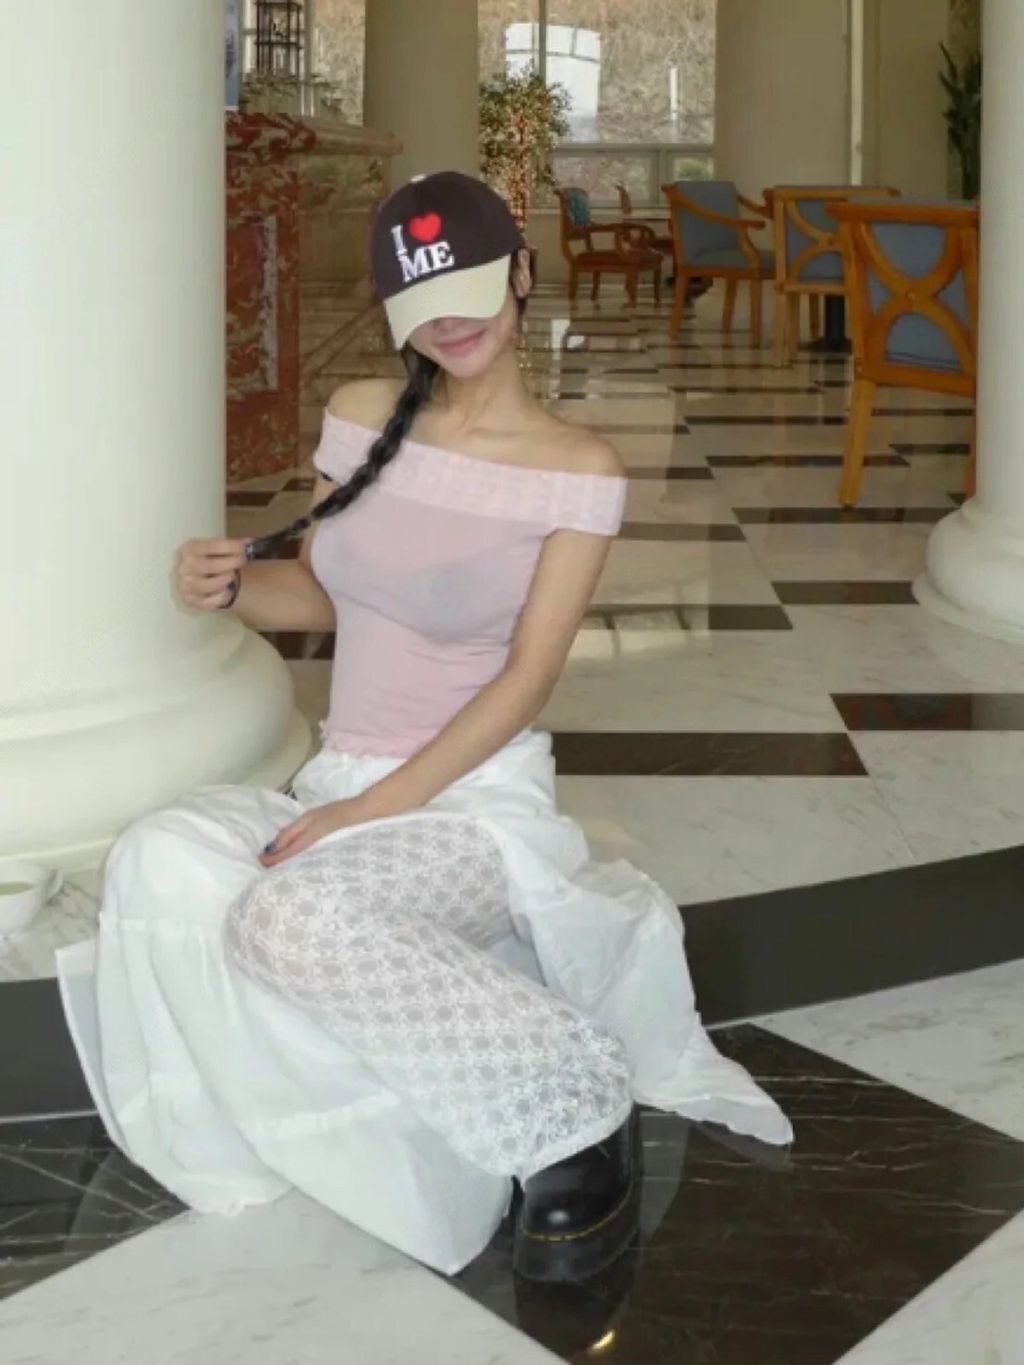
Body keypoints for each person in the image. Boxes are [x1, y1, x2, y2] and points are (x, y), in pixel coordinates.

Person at [57, 172, 791, 1284]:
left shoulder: (578, 468)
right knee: (155, 855)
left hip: (468, 801)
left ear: (523, 273)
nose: (450, 320)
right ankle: (325, 1117)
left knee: (290, 918)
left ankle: (572, 1101)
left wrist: (373, 806)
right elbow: (328, 597)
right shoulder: (362, 415)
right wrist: (226, 589)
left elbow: (527, 679)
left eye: (471, 288)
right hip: (344, 783)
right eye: (423, 300)